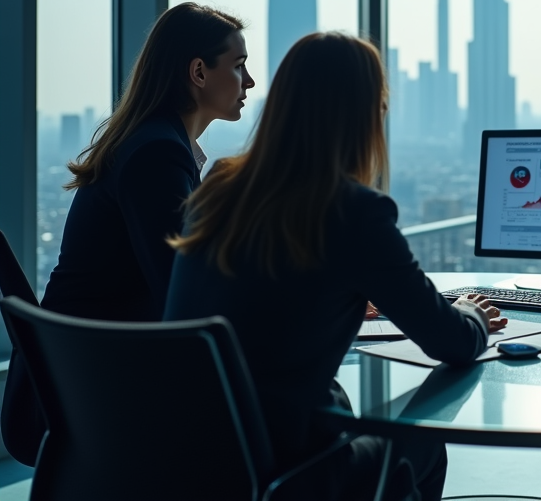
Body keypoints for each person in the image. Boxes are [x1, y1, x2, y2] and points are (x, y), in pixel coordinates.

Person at [164, 32, 505, 501]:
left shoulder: (218, 187)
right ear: (367, 116)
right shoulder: (354, 210)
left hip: (186, 464)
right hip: (289, 473)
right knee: (423, 439)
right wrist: (471, 312)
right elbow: (453, 342)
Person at [1, 2, 255, 467]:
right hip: (100, 390)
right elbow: (181, 293)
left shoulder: (152, 142)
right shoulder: (157, 155)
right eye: (238, 66)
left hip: (83, 377)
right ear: (198, 72)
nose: (250, 82)